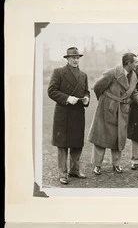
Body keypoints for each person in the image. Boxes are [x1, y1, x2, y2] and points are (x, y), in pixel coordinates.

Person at [88, 52, 138, 175]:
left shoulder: (134, 76)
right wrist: (104, 102)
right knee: (101, 138)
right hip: (107, 109)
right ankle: (97, 165)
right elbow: (97, 87)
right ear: (129, 64)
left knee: (119, 137)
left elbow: (134, 92)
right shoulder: (111, 73)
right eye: (136, 62)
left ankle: (116, 164)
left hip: (123, 110)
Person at [48, 47, 90, 185]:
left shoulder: (83, 75)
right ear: (67, 58)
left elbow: (86, 91)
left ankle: (74, 170)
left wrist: (86, 98)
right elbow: (52, 91)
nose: (76, 60)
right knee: (63, 144)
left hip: (78, 113)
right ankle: (62, 173)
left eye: (78, 57)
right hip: (63, 113)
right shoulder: (59, 72)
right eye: (73, 57)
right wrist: (67, 98)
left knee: (77, 143)